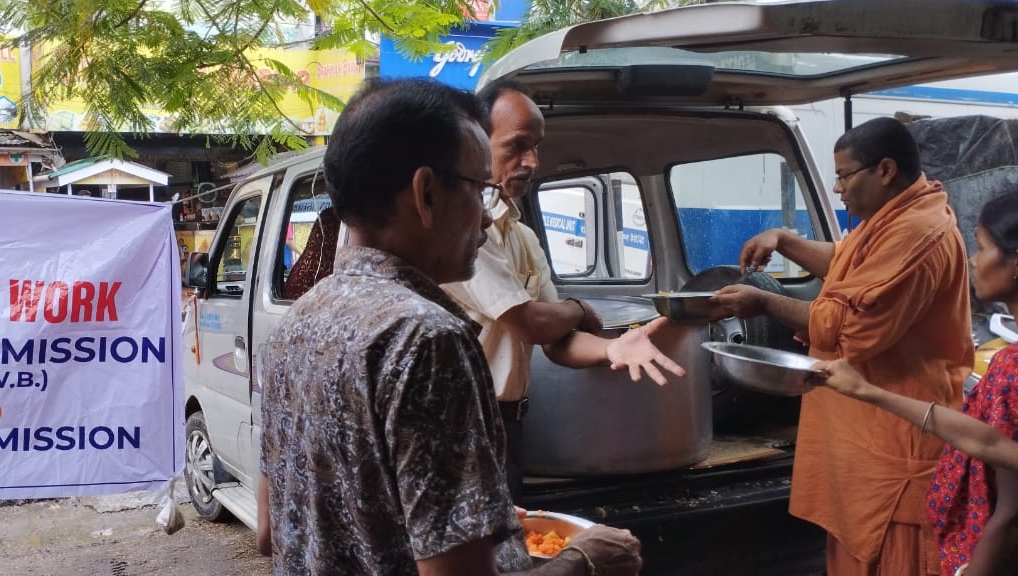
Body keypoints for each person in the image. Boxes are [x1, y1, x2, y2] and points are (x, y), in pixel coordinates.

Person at [256, 78, 642, 576]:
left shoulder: (293, 327)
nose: (485, 219)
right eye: (480, 189)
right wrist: (585, 560)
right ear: (426, 193)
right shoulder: (428, 341)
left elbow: (271, 532)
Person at [711, 117, 975, 575]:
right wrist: (785, 241)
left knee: (892, 554)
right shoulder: (894, 218)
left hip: (898, 437)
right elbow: (846, 261)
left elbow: (852, 326)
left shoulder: (919, 231)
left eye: (844, 176)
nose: (837, 189)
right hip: (862, 440)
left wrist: (764, 302)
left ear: (885, 170)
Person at [440, 80, 684, 503]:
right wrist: (579, 308)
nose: (532, 161)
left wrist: (613, 348)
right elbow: (530, 322)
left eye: (536, 147)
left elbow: (557, 341)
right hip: (463, 426)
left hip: (507, 425)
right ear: (478, 143)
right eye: (517, 146)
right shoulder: (463, 230)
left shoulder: (522, 236)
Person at [812, 190, 1018, 576]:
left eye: (981, 247)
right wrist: (867, 391)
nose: (973, 260)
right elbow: (990, 442)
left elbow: (1009, 514)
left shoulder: (1011, 369)